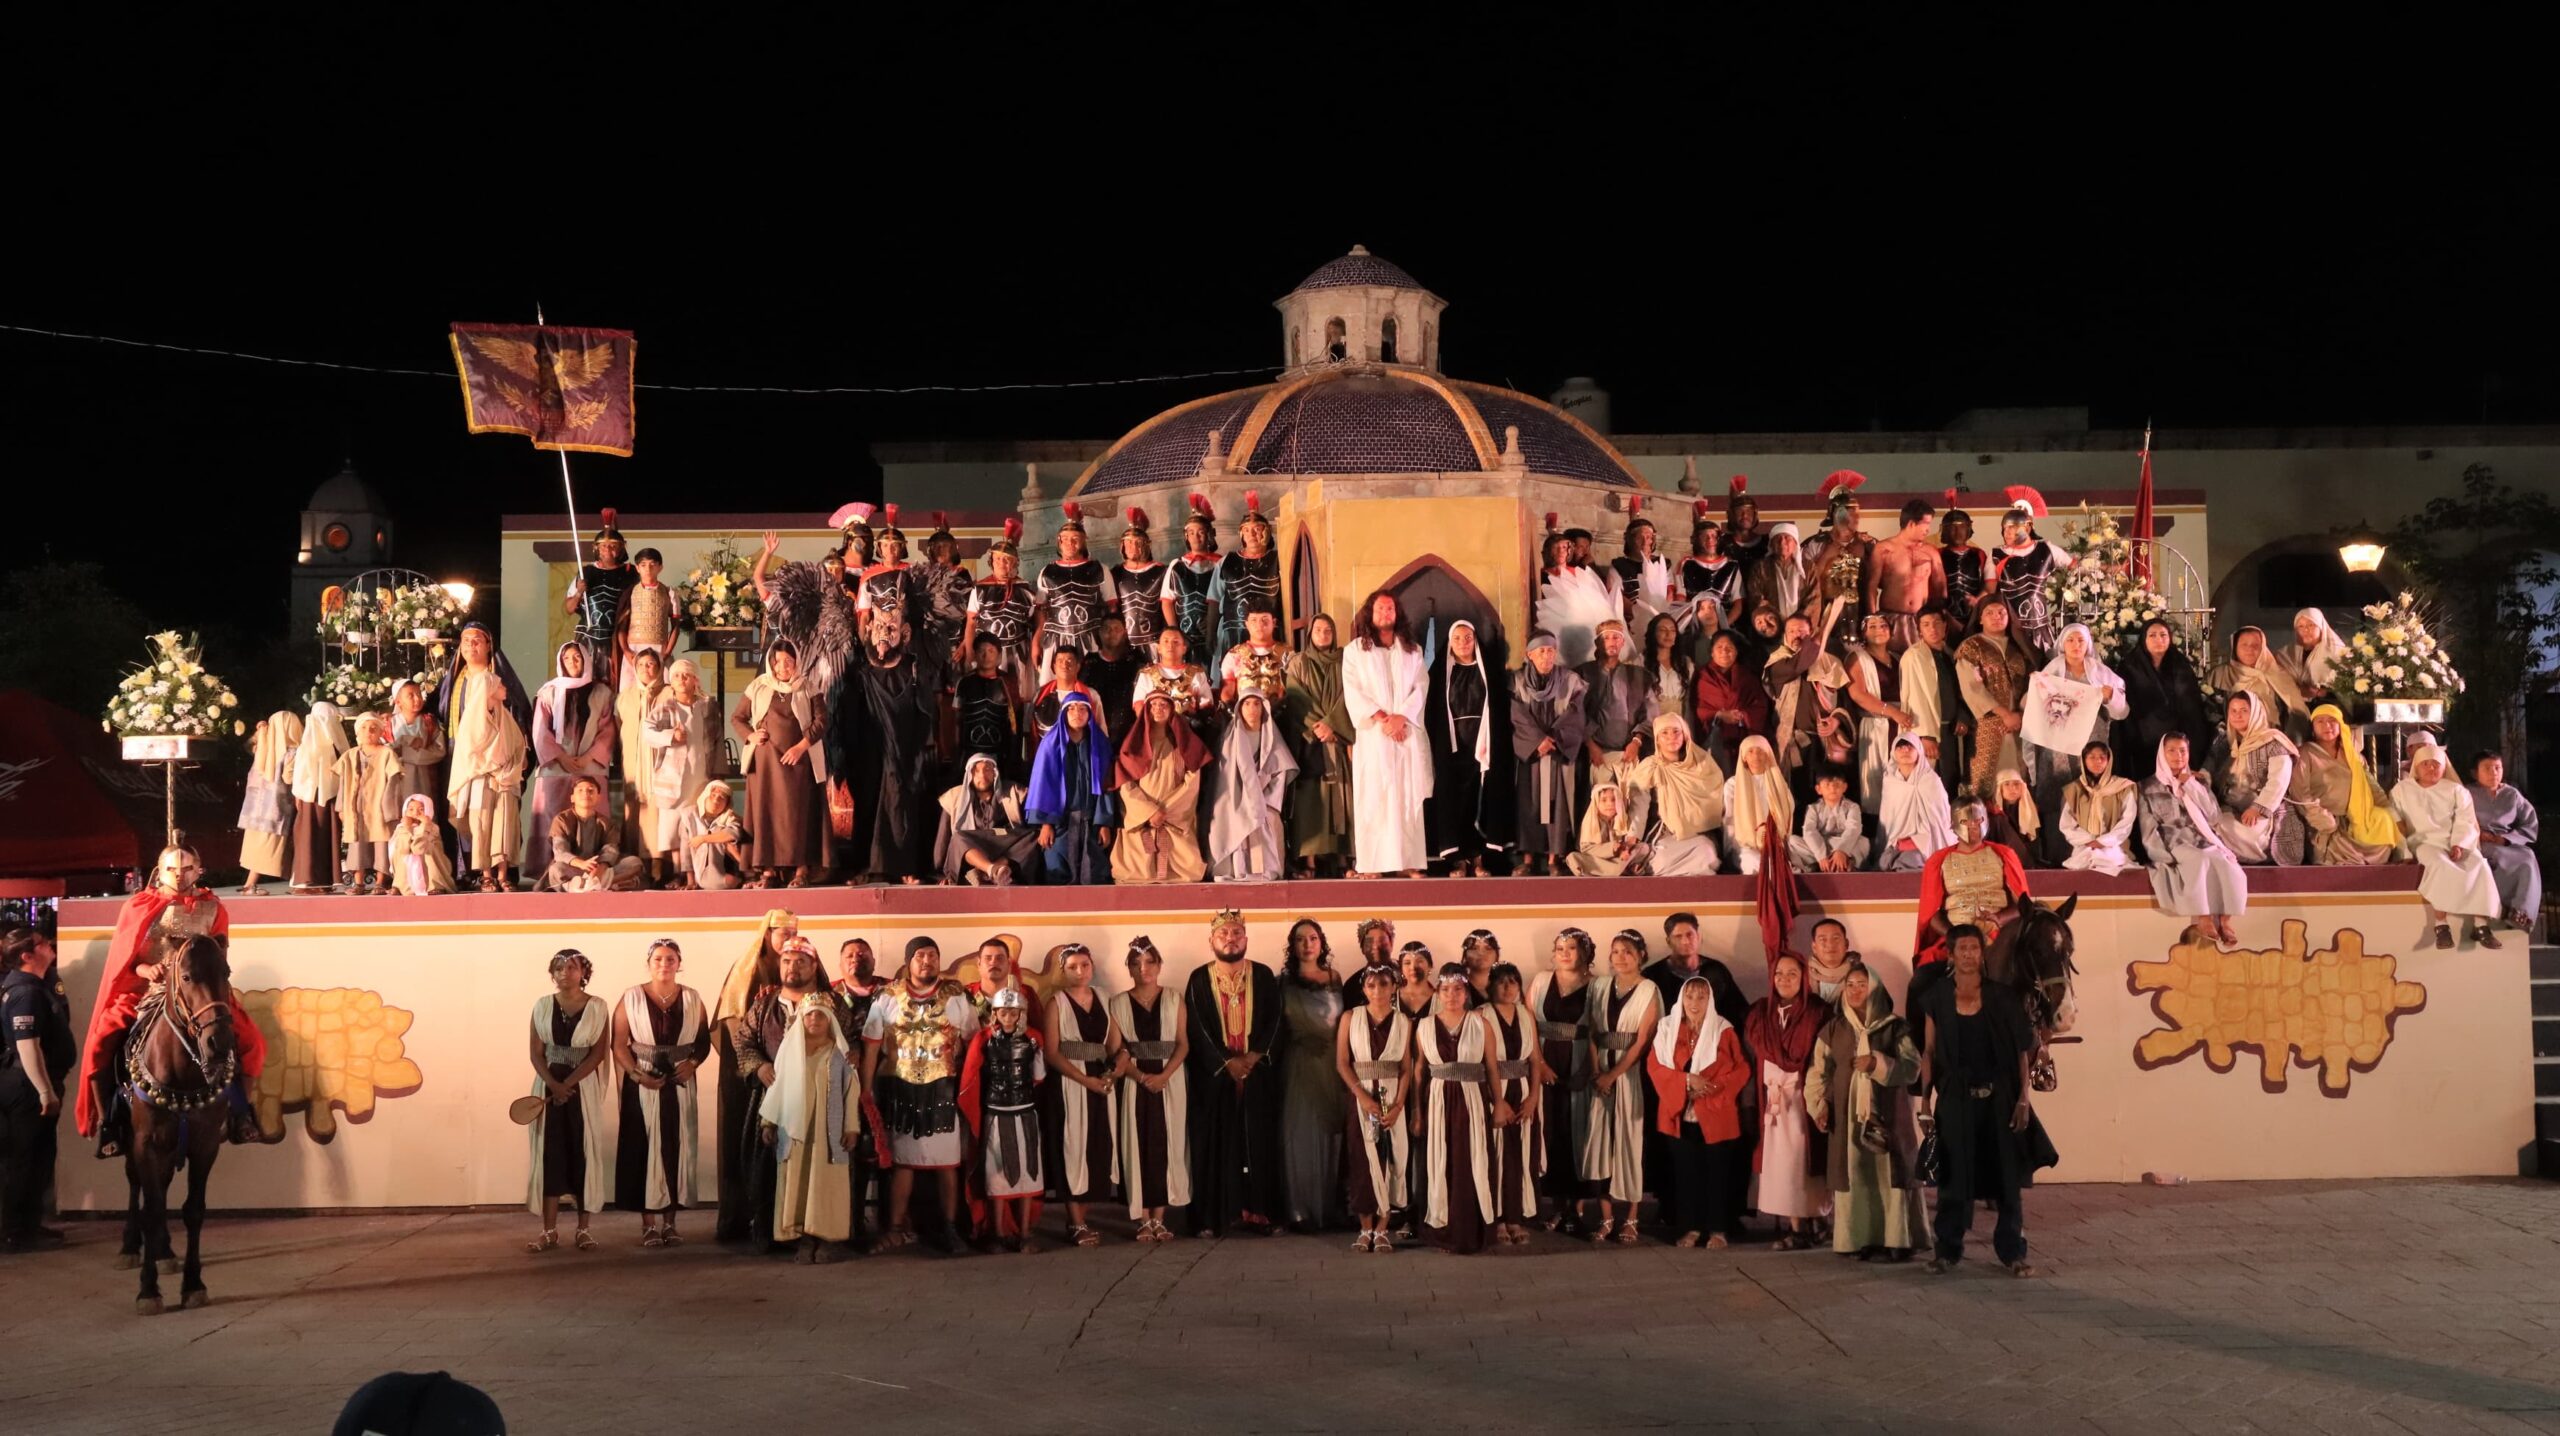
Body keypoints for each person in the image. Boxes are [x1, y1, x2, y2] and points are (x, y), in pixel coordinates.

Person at [77, 846, 266, 1156]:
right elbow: (126, 960)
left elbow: (217, 957)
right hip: (147, 990)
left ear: (199, 869)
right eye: (172, 869)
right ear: (159, 870)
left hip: (198, 993)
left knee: (253, 1041)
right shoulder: (139, 906)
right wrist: (147, 969)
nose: (179, 876)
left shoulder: (214, 908)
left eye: (187, 869)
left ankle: (241, 1113)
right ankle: (109, 1123)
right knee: (101, 1041)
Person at [1914, 926, 2055, 1277]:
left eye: (1974, 948)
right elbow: (1928, 1051)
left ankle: (2013, 1253)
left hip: (1999, 1098)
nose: (1968, 954)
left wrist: (2023, 1099)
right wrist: (1925, 1104)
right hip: (1955, 1099)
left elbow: (2022, 1052)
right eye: (1961, 948)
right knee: (1953, 1179)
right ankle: (1947, 1252)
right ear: (1951, 954)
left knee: (2007, 1179)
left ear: (1982, 953)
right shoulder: (1936, 997)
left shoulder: (2003, 997)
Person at [1805, 959, 1927, 1262]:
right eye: (1850, 985)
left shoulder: (1895, 1028)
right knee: (1856, 1175)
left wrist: (1877, 1064)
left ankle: (1896, 1241)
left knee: (1889, 1176)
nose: (1855, 990)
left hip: (1889, 1116)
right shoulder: (1835, 1028)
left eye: (1862, 985)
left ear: (1875, 989)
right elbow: (1818, 1071)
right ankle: (1858, 1239)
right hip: (1848, 1118)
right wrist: (1819, 1105)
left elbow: (1913, 1068)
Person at [862, 936, 979, 1253]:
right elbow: (871, 1048)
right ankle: (895, 1228)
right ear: (908, 962)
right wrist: (865, 1090)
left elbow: (974, 1043)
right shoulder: (888, 997)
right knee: (903, 1162)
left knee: (947, 1163)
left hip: (944, 1089)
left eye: (932, 955)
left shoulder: (956, 995)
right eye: (920, 956)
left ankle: (950, 1228)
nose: (927, 961)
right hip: (901, 1091)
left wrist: (970, 1090)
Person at [1185, 909, 1285, 1236]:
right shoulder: (1199, 979)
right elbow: (1197, 1027)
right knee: (1216, 1146)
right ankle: (1213, 1218)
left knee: (1258, 1144)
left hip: (1257, 1075)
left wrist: (1254, 1056)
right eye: (1223, 934)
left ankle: (1260, 1214)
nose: (1230, 939)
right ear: (1211, 940)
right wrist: (1225, 1062)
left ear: (1246, 938)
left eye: (1236, 933)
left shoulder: (1264, 975)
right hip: (1216, 1078)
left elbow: (1276, 1019)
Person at [612, 939, 710, 1247]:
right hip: (643, 1082)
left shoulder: (692, 998)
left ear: (679, 963)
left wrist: (692, 1064)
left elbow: (702, 1042)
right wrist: (637, 1075)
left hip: (679, 1082)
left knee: (674, 1147)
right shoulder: (631, 997)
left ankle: (670, 1223)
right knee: (644, 1149)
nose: (664, 964)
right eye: (658, 959)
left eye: (670, 959)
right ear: (649, 963)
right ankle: (648, 1225)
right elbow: (619, 1044)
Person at [758, 974, 862, 1263]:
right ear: (801, 1020)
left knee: (826, 1183)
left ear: (831, 1021)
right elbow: (777, 1090)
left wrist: (851, 1128)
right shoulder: (789, 1055)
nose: (814, 1020)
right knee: (799, 1181)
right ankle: (803, 1237)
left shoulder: (840, 1056)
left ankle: (827, 1238)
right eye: (809, 1015)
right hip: (796, 1133)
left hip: (828, 1133)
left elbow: (851, 1092)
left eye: (820, 1015)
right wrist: (768, 1123)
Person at [712, 909, 800, 1242]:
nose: (789, 938)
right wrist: (757, 1063)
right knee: (743, 1142)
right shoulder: (748, 968)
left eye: (794, 932)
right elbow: (732, 1019)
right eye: (783, 932)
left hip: (793, 1074)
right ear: (767, 933)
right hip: (751, 1076)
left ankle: (786, 1222)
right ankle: (740, 1220)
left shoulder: (802, 965)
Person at [1647, 975, 1748, 1249]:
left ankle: (1718, 1230)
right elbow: (1655, 1067)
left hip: (1716, 1111)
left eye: (1701, 997)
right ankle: (1690, 1228)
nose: (1694, 1002)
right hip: (1679, 1112)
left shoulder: (1723, 1029)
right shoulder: (1667, 1028)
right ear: (1681, 999)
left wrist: (1712, 1088)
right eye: (1689, 996)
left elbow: (1741, 1069)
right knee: (1686, 1173)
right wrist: (1687, 1082)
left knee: (1718, 1173)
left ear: (1710, 1000)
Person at [842, 611, 942, 885]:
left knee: (901, 807)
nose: (884, 634)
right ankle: (867, 867)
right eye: (879, 628)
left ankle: (905, 867)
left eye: (891, 628)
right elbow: (849, 715)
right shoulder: (860, 672)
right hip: (869, 752)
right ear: (869, 631)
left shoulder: (913, 669)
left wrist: (922, 752)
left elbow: (926, 714)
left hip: (905, 752)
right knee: (869, 805)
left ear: (904, 634)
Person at [524, 949, 612, 1254]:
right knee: (551, 1155)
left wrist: (568, 1085)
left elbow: (598, 1053)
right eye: (559, 967)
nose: (565, 972)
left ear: (583, 972)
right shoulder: (542, 1005)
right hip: (549, 1087)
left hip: (581, 1089)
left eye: (571, 967)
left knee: (582, 1153)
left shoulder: (598, 1006)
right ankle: (549, 1231)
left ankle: (583, 1230)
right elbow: (536, 1053)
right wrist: (553, 1085)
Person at [1342, 590, 1433, 877]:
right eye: (1380, 609)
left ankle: (1408, 862)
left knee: (1406, 797)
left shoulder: (1412, 650)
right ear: (1370, 613)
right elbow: (1353, 691)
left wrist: (1401, 717)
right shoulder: (1355, 651)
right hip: (1375, 736)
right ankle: (1373, 865)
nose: (1385, 613)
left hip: (1404, 733)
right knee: (1375, 797)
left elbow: (1421, 686)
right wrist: (1384, 719)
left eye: (1390, 608)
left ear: (1397, 613)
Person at [435, 622, 532, 893]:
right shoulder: (455, 679)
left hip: (499, 759)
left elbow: (519, 717)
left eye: (477, 640)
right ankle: (469, 871)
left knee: (500, 817)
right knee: (471, 814)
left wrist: (513, 754)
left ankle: (500, 872)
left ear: (489, 645)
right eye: (465, 640)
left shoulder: (499, 681)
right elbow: (438, 713)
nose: (471, 645)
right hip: (459, 755)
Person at [1582, 930, 1663, 1245]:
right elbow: (1591, 1031)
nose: (1620, 957)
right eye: (1615, 951)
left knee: (1630, 1141)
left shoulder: (1649, 989)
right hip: (1601, 1072)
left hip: (1630, 1075)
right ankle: (1606, 1218)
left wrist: (1613, 1075)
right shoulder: (1600, 986)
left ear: (1641, 955)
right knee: (1601, 1143)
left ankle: (1631, 1217)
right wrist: (1597, 1072)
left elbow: (1642, 1041)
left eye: (1627, 951)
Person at [1745, 953, 1830, 1249]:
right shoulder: (1760, 1012)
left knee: (1803, 1163)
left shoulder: (1817, 1011)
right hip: (1772, 1099)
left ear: (1803, 977)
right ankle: (1797, 1226)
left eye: (1792, 973)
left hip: (1803, 1097)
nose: (1784, 979)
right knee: (1781, 1164)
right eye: (1779, 973)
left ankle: (1813, 1222)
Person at [1109, 937, 1190, 1244]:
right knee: (1137, 1144)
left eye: (1149, 962)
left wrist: (1164, 1075)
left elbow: (1183, 1044)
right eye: (1136, 963)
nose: (1143, 968)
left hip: (1169, 1081)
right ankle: (1142, 1218)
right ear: (1129, 968)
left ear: (1159, 965)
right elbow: (1117, 1049)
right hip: (1135, 1082)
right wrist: (1143, 1077)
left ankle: (1159, 1217)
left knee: (1165, 1144)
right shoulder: (1118, 1003)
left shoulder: (1174, 998)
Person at [1413, 964, 1498, 1255]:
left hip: (1472, 1100)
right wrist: (1417, 1111)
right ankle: (1443, 1232)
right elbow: (1419, 1070)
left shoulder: (1481, 1024)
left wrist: (1499, 1103)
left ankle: (1470, 1231)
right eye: (1446, 989)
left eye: (1458, 989)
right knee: (1441, 1160)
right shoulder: (1425, 1026)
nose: (1451, 995)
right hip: (1438, 1100)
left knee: (1471, 1160)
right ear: (1438, 992)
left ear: (1466, 992)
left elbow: (1491, 1067)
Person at [1046, 944, 1123, 1247]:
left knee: (1097, 1147)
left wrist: (1113, 1070)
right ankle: (1075, 1222)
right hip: (1070, 1081)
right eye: (1073, 967)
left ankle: (1082, 1217)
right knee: (1072, 1147)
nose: (1080, 971)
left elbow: (1114, 1044)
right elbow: (1052, 1052)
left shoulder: (1104, 998)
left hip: (1100, 1080)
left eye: (1085, 965)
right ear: (1063, 971)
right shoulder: (1056, 1003)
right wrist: (1084, 1080)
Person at [959, 987, 1046, 1253]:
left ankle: (1025, 1233)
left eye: (1013, 1012)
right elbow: (972, 1076)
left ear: (1021, 1014)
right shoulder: (984, 1040)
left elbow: (1038, 1076)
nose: (1008, 1017)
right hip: (997, 1113)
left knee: (1029, 1174)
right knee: (996, 1175)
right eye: (1003, 1012)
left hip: (1025, 1112)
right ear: (995, 1013)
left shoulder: (1033, 1040)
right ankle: (996, 1233)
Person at [1, 926, 72, 1252]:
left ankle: (29, 1224)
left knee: (39, 1157)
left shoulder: (37, 985)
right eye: (42, 944)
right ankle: (13, 1232)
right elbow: (27, 1046)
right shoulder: (25, 993)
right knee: (24, 1159)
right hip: (27, 1087)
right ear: (27, 955)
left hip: (34, 1083)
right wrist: (45, 1091)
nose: (49, 945)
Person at [2139, 734, 2248, 945]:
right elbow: (2148, 829)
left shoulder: (2198, 781)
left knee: (2226, 862)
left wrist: (2191, 785)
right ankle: (2204, 918)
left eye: (2183, 751)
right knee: (2199, 860)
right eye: (2172, 751)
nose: (2178, 756)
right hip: (2175, 842)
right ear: (2162, 753)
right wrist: (2162, 856)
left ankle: (2225, 921)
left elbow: (2214, 816)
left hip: (2204, 839)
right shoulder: (2147, 787)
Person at [2393, 741, 2503, 949]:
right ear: (2417, 766)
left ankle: (2481, 926)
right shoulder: (2401, 790)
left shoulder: (2456, 790)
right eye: (2426, 764)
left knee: (2479, 864)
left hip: (2454, 842)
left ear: (2444, 767)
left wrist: (2459, 844)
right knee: (2439, 864)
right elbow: (2395, 821)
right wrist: (2405, 852)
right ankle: (2441, 926)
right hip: (2424, 842)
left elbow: (2465, 820)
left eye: (2436, 764)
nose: (2431, 768)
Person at [1337, 961, 1411, 1253]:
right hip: (1361, 1098)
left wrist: (1398, 1105)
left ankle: (1383, 1227)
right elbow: (1342, 1063)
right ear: (1364, 989)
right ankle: (1365, 1227)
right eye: (1371, 985)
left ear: (1394, 987)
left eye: (1384, 984)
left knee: (1390, 1159)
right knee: (1362, 1160)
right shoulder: (1350, 1017)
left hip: (1392, 1098)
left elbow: (1406, 1068)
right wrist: (1362, 1097)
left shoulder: (1403, 1022)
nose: (1377, 990)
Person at [1277, 922, 1347, 1233]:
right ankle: (1299, 1210)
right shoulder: (1282, 983)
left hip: (1332, 1063)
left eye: (1313, 938)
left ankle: (1327, 1209)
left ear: (1322, 943)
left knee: (1331, 1134)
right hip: (1298, 1063)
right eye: (1300, 939)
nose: (1307, 944)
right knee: (1298, 1135)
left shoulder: (1335, 978)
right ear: (1292, 945)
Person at [1425, 617, 1508, 876]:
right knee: (1454, 803)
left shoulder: (1489, 672)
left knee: (1480, 802)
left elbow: (1499, 709)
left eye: (1468, 638)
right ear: (1450, 642)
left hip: (1482, 748)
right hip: (1452, 750)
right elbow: (1432, 712)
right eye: (1457, 639)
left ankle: (1479, 859)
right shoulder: (1440, 674)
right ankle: (1458, 860)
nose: (1463, 643)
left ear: (1475, 641)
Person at [1913, 798, 2031, 977]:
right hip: (1956, 934)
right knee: (1924, 975)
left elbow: (2023, 905)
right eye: (1966, 821)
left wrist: (1999, 918)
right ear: (1954, 824)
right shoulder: (1938, 861)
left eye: (1978, 820)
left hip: (1998, 934)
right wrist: (1953, 935)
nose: (1973, 826)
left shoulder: (2004, 854)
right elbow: (1931, 914)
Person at [1523, 931, 1593, 1233]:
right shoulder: (1541, 981)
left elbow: (1598, 1029)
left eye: (1572, 947)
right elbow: (1528, 1020)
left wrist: (1587, 1070)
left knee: (1575, 1132)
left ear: (1584, 952)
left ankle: (1576, 1209)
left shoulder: (1597, 985)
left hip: (1577, 1062)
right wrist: (1539, 1064)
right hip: (1546, 1060)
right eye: (1560, 948)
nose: (1565, 953)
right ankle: (1554, 1206)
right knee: (1548, 1130)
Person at [529, 641, 617, 879]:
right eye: (567, 658)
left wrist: (589, 756)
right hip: (556, 766)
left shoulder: (602, 693)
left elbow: (608, 730)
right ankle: (550, 874)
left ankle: (593, 872)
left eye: (577, 657)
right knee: (552, 817)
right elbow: (540, 731)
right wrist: (561, 757)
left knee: (594, 818)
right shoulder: (548, 692)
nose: (572, 662)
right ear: (560, 662)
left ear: (586, 659)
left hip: (590, 765)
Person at [2027, 623, 2129, 826]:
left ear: (2088, 643)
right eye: (2071, 640)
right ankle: (2056, 841)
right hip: (2058, 745)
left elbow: (2122, 712)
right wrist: (2036, 687)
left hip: (2091, 740)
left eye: (2081, 640)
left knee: (2090, 790)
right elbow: (2036, 706)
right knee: (2057, 790)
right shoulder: (2052, 670)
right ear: (2062, 644)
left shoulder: (2100, 672)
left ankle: (2092, 836)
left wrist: (2110, 697)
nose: (2076, 645)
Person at [2280, 704, 2401, 867]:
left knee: (2384, 821)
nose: (2327, 726)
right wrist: (2321, 818)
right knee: (2344, 855)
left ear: (2340, 725)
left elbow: (2372, 787)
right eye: (2320, 721)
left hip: (2356, 819)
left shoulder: (2353, 755)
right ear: (2313, 727)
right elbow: (2300, 793)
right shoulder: (2305, 753)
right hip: (2325, 822)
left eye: (2332, 721)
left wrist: (2392, 813)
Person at [1283, 613, 1356, 877]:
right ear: (1310, 634)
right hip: (1310, 740)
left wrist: (1334, 726)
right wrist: (1319, 726)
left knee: (1342, 799)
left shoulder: (1346, 661)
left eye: (1328, 630)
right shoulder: (1299, 662)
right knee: (1311, 801)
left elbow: (1351, 696)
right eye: (1318, 630)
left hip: (1338, 740)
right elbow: (1296, 697)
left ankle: (1343, 859)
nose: (1323, 635)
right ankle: (1310, 861)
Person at [1112, 691, 1210, 884]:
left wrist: (1165, 811)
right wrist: (1149, 811)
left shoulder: (1182, 744)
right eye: (1153, 705)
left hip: (1173, 816)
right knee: (1138, 872)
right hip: (1143, 819)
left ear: (1172, 710)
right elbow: (1125, 781)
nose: (1158, 709)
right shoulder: (1134, 745)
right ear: (1146, 710)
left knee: (1185, 870)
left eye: (1163, 705)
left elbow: (1192, 779)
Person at [1512, 631, 1589, 875]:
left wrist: (1552, 740)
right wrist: (1537, 741)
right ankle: (1527, 859)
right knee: (1528, 804)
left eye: (1551, 651)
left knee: (1558, 806)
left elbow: (1576, 713)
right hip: (1531, 753)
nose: (1547, 656)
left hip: (1558, 751)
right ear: (1530, 655)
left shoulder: (1570, 680)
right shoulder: (1517, 681)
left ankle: (1554, 859)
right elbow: (1516, 715)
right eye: (1542, 651)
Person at [1207, 684, 1299, 882]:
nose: (1252, 709)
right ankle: (1237, 868)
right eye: (1247, 704)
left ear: (1263, 707)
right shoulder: (1230, 738)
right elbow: (1226, 776)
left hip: (1265, 797)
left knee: (1269, 818)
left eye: (1256, 704)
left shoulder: (1271, 736)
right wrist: (1247, 796)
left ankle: (1263, 869)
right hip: (1236, 797)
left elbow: (1281, 770)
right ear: (1240, 708)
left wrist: (1264, 797)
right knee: (1230, 816)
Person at [1026, 690, 1119, 885]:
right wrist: (1046, 824)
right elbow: (1042, 785)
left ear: (1090, 713)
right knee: (1057, 871)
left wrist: (1104, 823)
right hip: (1060, 823)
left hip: (1091, 821)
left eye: (1083, 709)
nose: (1077, 713)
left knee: (1094, 872)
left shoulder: (1100, 744)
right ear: (1064, 713)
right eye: (1072, 709)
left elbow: (1107, 786)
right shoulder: (1050, 745)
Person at [1481, 961, 1543, 1246]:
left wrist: (1533, 1098)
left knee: (1520, 1155)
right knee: (1496, 1155)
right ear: (1491, 985)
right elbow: (1484, 1062)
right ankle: (1496, 1218)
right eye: (1501, 982)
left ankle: (1515, 1217)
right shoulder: (1481, 1015)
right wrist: (1497, 1100)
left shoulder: (1525, 1015)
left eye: (1513, 982)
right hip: (1494, 1093)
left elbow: (1535, 1060)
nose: (1507, 988)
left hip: (1522, 1092)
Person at [642, 658, 715, 887]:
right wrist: (670, 736)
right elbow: (647, 731)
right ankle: (677, 872)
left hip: (699, 775)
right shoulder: (665, 707)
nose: (681, 680)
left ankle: (696, 873)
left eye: (686, 675)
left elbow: (716, 738)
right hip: (672, 777)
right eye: (676, 676)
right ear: (671, 682)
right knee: (672, 827)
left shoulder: (706, 706)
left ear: (695, 680)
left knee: (693, 823)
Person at [1625, 712, 1727, 876]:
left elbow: (1715, 801)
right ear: (1657, 739)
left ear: (1685, 735)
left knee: (1707, 853)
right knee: (1663, 859)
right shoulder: (1650, 767)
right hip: (1666, 833)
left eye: (1676, 731)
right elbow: (1639, 805)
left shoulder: (1702, 763)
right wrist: (1632, 837)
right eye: (1664, 733)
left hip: (1698, 832)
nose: (1671, 737)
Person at [1955, 597, 2033, 800]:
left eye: (2001, 612)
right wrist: (2005, 714)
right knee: (1985, 782)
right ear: (1980, 618)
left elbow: (2032, 685)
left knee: (2017, 780)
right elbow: (1971, 688)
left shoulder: (2020, 647)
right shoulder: (1971, 647)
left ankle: (2018, 820)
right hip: (1986, 726)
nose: (1996, 617)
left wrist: (2020, 715)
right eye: (1989, 613)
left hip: (2019, 725)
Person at [1764, 605, 1852, 784]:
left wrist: (1837, 721)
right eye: (1791, 631)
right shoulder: (1777, 662)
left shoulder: (1830, 663)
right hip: (1793, 742)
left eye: (1801, 631)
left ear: (1811, 633)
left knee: (1829, 790)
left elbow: (1846, 701)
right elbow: (1797, 666)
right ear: (1785, 635)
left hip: (1827, 742)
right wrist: (1819, 638)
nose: (1796, 635)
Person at [2207, 692, 2296, 865]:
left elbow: (2278, 781)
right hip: (2228, 806)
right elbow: (2210, 763)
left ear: (2255, 712)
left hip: (2261, 808)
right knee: (2213, 823)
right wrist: (2202, 774)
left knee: (2251, 836)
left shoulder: (2273, 742)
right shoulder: (2226, 741)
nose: (2237, 715)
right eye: (2233, 711)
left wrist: (2258, 808)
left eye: (2244, 710)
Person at [961, 518, 1039, 712]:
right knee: (987, 698)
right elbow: (971, 623)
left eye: (1006, 559)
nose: (1002, 563)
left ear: (1015, 562)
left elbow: (1038, 622)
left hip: (1018, 652)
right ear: (991, 562)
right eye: (997, 559)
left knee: (1017, 698)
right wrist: (969, 653)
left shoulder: (1026, 590)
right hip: (987, 652)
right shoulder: (979, 589)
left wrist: (1036, 648)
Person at [1033, 502, 1116, 681]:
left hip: (1091, 638)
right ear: (1059, 542)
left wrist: (1109, 642)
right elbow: (1041, 611)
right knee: (1053, 687)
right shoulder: (1047, 572)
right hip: (1055, 639)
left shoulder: (1099, 569)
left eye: (1075, 539)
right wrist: (1036, 642)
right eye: (1065, 539)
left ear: (1083, 541)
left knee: (1092, 683)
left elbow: (1112, 608)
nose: (1070, 543)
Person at [1989, 487, 2072, 662]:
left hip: (2041, 626)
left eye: (2013, 527)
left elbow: (2077, 567)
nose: (2007, 532)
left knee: (2047, 668)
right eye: (2005, 528)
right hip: (2010, 628)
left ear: (2027, 527)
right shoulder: (1996, 555)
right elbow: (1990, 592)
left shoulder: (2047, 549)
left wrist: (2108, 568)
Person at [934, 752, 1042, 887]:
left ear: (995, 773)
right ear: (969, 775)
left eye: (987, 769)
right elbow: (943, 839)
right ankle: (991, 869)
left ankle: (991, 870)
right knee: (958, 838)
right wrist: (941, 873)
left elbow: (1035, 801)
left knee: (1033, 835)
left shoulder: (1012, 791)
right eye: (976, 771)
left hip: (1004, 844)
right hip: (972, 847)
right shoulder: (954, 796)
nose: (982, 775)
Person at [2121, 618, 2212, 778]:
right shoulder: (2130, 666)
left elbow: (2192, 706)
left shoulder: (2180, 664)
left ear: (2170, 638)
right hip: (2143, 740)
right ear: (2144, 639)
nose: (2159, 640)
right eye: (2152, 635)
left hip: (2177, 739)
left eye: (2163, 635)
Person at [1844, 612, 1915, 814]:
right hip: (1876, 724)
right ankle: (1877, 825)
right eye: (1872, 627)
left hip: (1900, 725)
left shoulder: (1898, 659)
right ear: (1863, 633)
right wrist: (1892, 712)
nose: (1879, 630)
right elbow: (1858, 694)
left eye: (1883, 626)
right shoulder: (1857, 658)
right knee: (1876, 781)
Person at [2470, 751, 2544, 939]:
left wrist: (2507, 838)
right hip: (2476, 842)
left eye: (2497, 768)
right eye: (2487, 768)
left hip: (2503, 842)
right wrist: (2476, 833)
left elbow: (2530, 822)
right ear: (2475, 773)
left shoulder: (2512, 794)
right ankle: (2499, 907)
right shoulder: (2466, 792)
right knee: (2496, 858)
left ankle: (2521, 913)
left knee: (2527, 857)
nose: (2493, 772)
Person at [1577, 618, 1651, 797]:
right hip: (1595, 754)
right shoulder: (1582, 674)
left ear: (1623, 642)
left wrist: (1636, 741)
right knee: (1600, 804)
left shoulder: (1639, 676)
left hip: (1628, 753)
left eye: (1616, 637)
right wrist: (1590, 744)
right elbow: (1574, 712)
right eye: (1606, 638)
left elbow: (1650, 711)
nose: (1611, 642)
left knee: (1629, 803)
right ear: (1597, 642)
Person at [565, 510, 637, 688]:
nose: (608, 550)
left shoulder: (631, 573)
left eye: (613, 546)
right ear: (596, 548)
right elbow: (569, 608)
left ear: (621, 548)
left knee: (615, 685)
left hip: (618, 638)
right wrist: (579, 592)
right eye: (603, 546)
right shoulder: (586, 572)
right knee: (586, 683)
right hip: (588, 636)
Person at [1866, 497, 1946, 655]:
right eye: (1926, 524)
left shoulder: (1931, 552)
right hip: (1891, 619)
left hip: (1921, 620)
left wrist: (1937, 619)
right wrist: (1873, 618)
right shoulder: (1884, 549)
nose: (1928, 529)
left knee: (1923, 663)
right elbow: (1871, 587)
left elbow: (1940, 588)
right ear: (1911, 524)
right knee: (1892, 662)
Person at [1900, 608, 1968, 794]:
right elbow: (1915, 696)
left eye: (1937, 623)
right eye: (1926, 625)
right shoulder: (1914, 656)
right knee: (1930, 786)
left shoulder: (1950, 654)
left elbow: (1960, 691)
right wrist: (1926, 735)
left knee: (1951, 783)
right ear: (1919, 630)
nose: (1932, 629)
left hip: (1950, 730)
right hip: (1929, 732)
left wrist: (1962, 716)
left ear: (1945, 626)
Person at [541, 777, 646, 892]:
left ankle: (584, 885)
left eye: (591, 790)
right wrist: (581, 864)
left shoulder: (606, 823)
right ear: (572, 798)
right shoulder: (562, 819)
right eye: (580, 790)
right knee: (556, 869)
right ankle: (598, 885)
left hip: (599, 868)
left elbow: (611, 850)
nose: (585, 793)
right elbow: (560, 851)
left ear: (598, 798)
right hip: (574, 868)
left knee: (634, 862)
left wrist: (600, 868)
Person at [614, 647, 667, 876]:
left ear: (659, 667)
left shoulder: (669, 693)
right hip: (632, 762)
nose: (646, 668)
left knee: (656, 812)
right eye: (642, 664)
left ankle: (658, 865)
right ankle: (634, 865)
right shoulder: (625, 696)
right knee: (633, 811)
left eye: (651, 664)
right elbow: (618, 726)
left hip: (659, 763)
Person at [331, 711, 397, 894]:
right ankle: (358, 882)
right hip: (356, 807)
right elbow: (343, 783)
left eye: (374, 728)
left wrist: (390, 808)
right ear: (357, 732)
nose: (369, 731)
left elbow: (394, 782)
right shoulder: (350, 755)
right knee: (357, 843)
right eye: (364, 728)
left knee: (381, 842)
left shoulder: (387, 753)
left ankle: (380, 882)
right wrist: (341, 807)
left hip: (379, 805)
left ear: (381, 732)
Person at [1212, 491, 1282, 661]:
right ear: (1241, 534)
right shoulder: (1226, 561)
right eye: (1247, 530)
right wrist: (1210, 634)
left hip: (1270, 632)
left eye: (1257, 529)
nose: (1252, 534)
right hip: (1233, 632)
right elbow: (1213, 600)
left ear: (1266, 532)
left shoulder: (1279, 559)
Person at [2209, 625, 2313, 738]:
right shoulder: (2221, 675)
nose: (2250, 649)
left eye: (2255, 645)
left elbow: (2298, 710)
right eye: (2244, 645)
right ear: (2235, 647)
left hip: (2273, 739)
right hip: (2230, 740)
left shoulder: (2278, 675)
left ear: (2263, 648)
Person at [237, 710, 300, 895]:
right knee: (272, 849)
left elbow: (250, 744)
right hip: (276, 808)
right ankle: (252, 886)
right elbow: (289, 778)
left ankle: (249, 884)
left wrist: (261, 731)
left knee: (258, 848)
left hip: (255, 809)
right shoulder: (291, 752)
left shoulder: (262, 748)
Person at [289, 700, 348, 894]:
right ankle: (306, 881)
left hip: (331, 797)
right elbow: (300, 773)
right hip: (310, 798)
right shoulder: (308, 744)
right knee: (309, 838)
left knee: (327, 837)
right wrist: (300, 794)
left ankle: (324, 880)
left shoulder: (336, 743)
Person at [1807, 474, 1873, 643]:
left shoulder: (1868, 545)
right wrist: (1827, 555)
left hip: (1859, 621)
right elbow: (1805, 583)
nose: (1857, 517)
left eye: (1858, 511)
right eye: (1851, 512)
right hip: (1824, 621)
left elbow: (1876, 584)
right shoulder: (1815, 545)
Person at [1692, 628, 1770, 770]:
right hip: (1713, 739)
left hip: (1743, 738)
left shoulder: (1747, 676)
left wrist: (1741, 717)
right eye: (1719, 647)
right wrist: (1719, 714)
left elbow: (1760, 706)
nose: (1724, 651)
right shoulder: (1702, 676)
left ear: (1736, 652)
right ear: (1712, 652)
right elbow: (1696, 708)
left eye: (1729, 648)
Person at [1875, 735, 1956, 872]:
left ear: (1919, 751)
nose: (1905, 750)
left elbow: (1939, 823)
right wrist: (1898, 842)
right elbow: (1888, 822)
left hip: (1925, 842)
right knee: (1885, 860)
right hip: (1896, 842)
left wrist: (1915, 841)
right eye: (1900, 747)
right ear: (1893, 753)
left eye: (1910, 746)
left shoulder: (1931, 781)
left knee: (1911, 859)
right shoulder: (1890, 782)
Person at [2058, 742, 2141, 874]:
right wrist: (2089, 841)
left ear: (2109, 760)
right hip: (2084, 848)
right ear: (2084, 760)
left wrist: (2104, 841)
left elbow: (2127, 820)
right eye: (2092, 757)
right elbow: (2067, 824)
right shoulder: (2074, 790)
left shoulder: (2122, 787)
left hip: (2114, 847)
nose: (2098, 761)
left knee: (2112, 866)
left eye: (2102, 757)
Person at [1724, 734, 1798, 875]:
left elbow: (1787, 813)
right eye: (1750, 751)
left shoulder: (1778, 783)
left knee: (1781, 864)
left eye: (1760, 751)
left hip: (1774, 840)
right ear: (1744, 757)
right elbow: (1729, 820)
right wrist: (1735, 846)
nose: (1756, 756)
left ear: (1768, 755)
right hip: (1745, 844)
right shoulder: (1733, 785)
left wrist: (1772, 836)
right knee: (1755, 863)